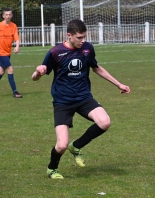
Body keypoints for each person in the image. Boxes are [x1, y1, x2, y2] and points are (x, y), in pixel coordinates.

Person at [31, 19, 130, 179]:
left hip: (84, 97)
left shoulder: (87, 49)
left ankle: (76, 146)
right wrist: (37, 72)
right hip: (62, 101)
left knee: (105, 122)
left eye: (84, 37)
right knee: (61, 145)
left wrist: (118, 84)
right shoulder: (55, 52)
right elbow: (35, 78)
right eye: (79, 37)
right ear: (69, 35)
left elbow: (96, 68)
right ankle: (52, 169)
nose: (83, 40)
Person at [0, 8, 22, 98]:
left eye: (10, 14)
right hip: (1, 53)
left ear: (12, 15)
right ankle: (15, 92)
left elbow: (16, 38)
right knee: (10, 69)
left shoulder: (13, 26)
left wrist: (17, 46)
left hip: (7, 52)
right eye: (6, 14)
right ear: (3, 16)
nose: (8, 16)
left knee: (1, 71)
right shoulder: (0, 25)